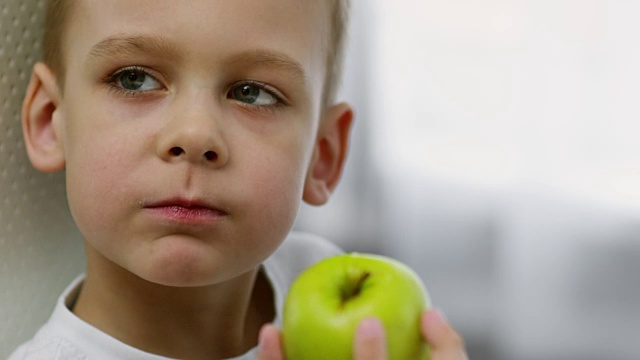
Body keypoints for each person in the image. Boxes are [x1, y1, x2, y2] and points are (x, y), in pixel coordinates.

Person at [9, 0, 468, 359]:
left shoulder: (323, 282)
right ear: (52, 121)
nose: (195, 135)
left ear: (322, 155)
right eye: (134, 80)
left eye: (253, 93)